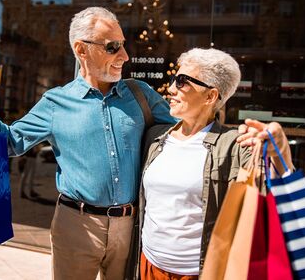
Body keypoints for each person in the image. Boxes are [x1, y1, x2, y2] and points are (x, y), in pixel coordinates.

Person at [0, 7, 176, 280]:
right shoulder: (55, 103)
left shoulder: (140, 94)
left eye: (123, 45)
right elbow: (9, 143)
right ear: (82, 50)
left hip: (131, 226)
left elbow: (187, 131)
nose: (124, 56)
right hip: (76, 226)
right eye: (113, 47)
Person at [125, 48, 294, 280]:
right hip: (148, 265)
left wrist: (280, 151)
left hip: (199, 273)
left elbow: (276, 190)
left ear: (210, 96)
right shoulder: (155, 137)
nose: (171, 89)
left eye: (182, 82)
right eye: (174, 79)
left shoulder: (234, 144)